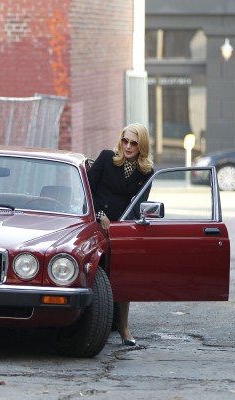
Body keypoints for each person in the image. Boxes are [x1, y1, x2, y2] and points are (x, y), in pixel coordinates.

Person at [86, 122, 154, 346]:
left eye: (134, 143)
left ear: (142, 145)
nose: (128, 146)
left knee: (124, 274)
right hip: (96, 224)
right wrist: (101, 215)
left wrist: (122, 225)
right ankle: (92, 322)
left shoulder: (146, 172)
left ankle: (124, 327)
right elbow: (87, 190)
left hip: (121, 228)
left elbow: (139, 205)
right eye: (125, 140)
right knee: (96, 273)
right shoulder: (107, 158)